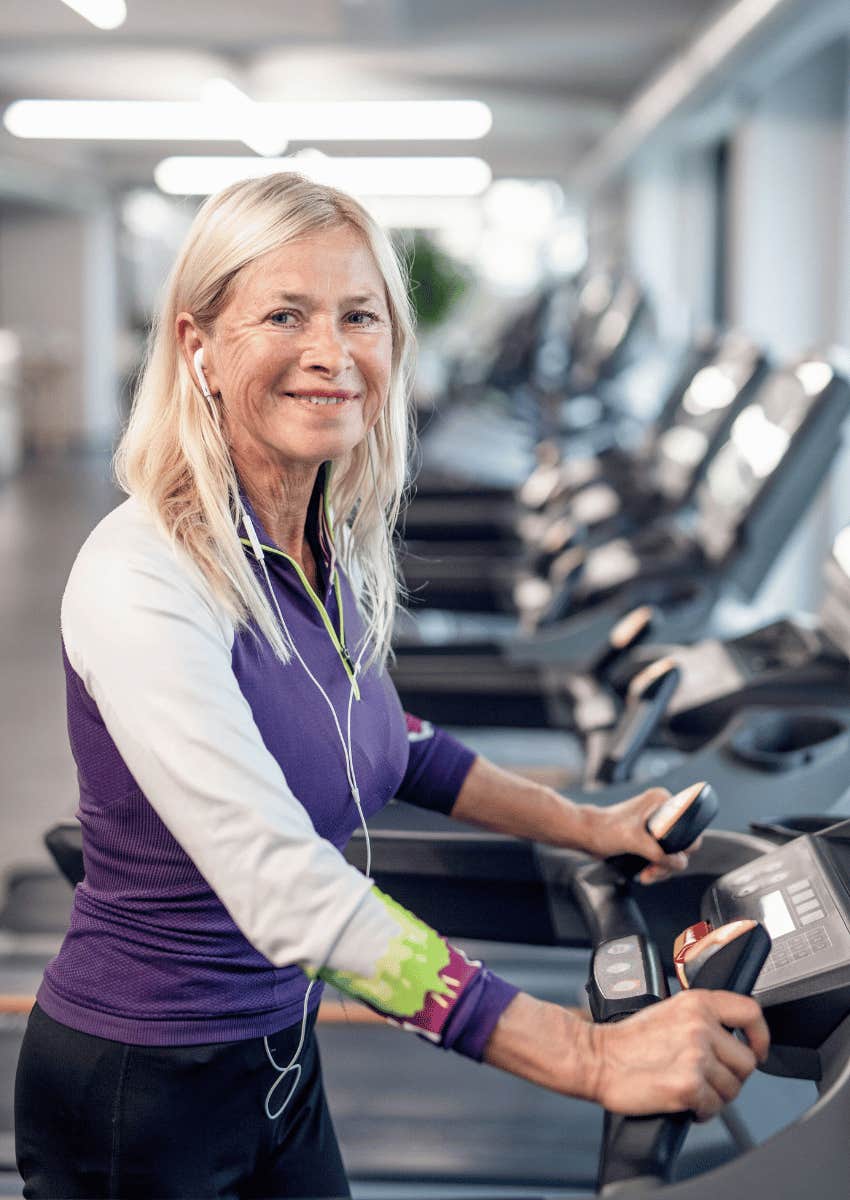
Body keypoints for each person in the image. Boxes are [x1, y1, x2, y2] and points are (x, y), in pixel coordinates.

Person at [14, 173, 769, 1200]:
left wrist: (581, 822)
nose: (331, 352)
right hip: (140, 1093)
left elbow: (391, 739)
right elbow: (280, 878)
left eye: (358, 316)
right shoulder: (140, 574)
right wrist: (586, 1055)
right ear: (199, 347)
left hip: (281, 1061)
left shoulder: (325, 546)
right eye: (284, 314)